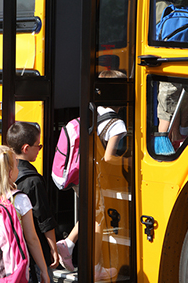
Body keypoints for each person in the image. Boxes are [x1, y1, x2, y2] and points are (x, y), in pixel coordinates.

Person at [56, 102, 126, 280]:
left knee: (92, 215)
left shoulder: (95, 112)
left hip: (78, 174)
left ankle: (68, 244)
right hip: (94, 177)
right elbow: (108, 158)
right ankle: (95, 268)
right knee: (98, 220)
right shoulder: (117, 124)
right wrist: (130, 162)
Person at [0, 145, 50, 283]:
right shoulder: (19, 199)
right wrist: (44, 271)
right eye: (16, 166)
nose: (18, 170)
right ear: (9, 173)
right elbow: (32, 239)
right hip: (12, 275)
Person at [6, 122, 59, 283]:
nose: (40, 150)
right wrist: (53, 248)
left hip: (12, 251)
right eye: (39, 146)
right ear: (26, 148)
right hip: (33, 254)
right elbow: (44, 219)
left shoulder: (4, 174)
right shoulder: (33, 181)